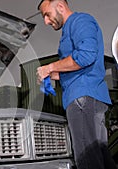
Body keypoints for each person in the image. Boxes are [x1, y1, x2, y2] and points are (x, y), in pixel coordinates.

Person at [36, 0, 117, 169]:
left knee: (86, 160)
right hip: (88, 98)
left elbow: (85, 56)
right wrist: (51, 74)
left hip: (82, 99)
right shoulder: (70, 30)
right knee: (100, 158)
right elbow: (76, 68)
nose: (45, 21)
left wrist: (49, 67)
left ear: (60, 6)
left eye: (46, 14)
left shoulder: (80, 21)